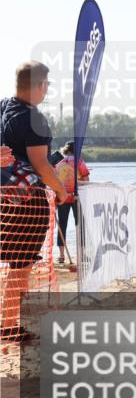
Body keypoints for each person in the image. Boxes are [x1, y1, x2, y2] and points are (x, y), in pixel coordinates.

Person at [1, 61, 68, 343]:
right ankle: (7, 326)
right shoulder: (35, 119)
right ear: (41, 86)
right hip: (27, 201)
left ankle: (7, 323)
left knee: (14, 265)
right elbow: (42, 164)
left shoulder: (3, 107)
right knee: (21, 266)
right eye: (47, 86)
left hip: (4, 198)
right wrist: (62, 190)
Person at [50, 141, 90, 265]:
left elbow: (54, 180)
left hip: (62, 197)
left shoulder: (59, 163)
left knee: (62, 226)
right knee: (80, 226)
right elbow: (86, 180)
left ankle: (61, 256)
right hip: (76, 198)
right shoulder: (79, 161)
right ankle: (82, 254)